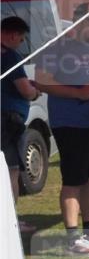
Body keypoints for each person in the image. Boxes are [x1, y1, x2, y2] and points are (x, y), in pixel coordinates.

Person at [35, 5, 89, 256]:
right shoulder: (57, 47)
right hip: (69, 123)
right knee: (73, 180)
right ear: (79, 23)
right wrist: (76, 93)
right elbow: (41, 80)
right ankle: (73, 238)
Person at [1, 16, 41, 235]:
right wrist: (35, 93)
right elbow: (25, 90)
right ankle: (10, 220)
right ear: (12, 35)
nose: (21, 43)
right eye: (22, 39)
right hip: (7, 122)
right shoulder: (10, 56)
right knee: (11, 170)